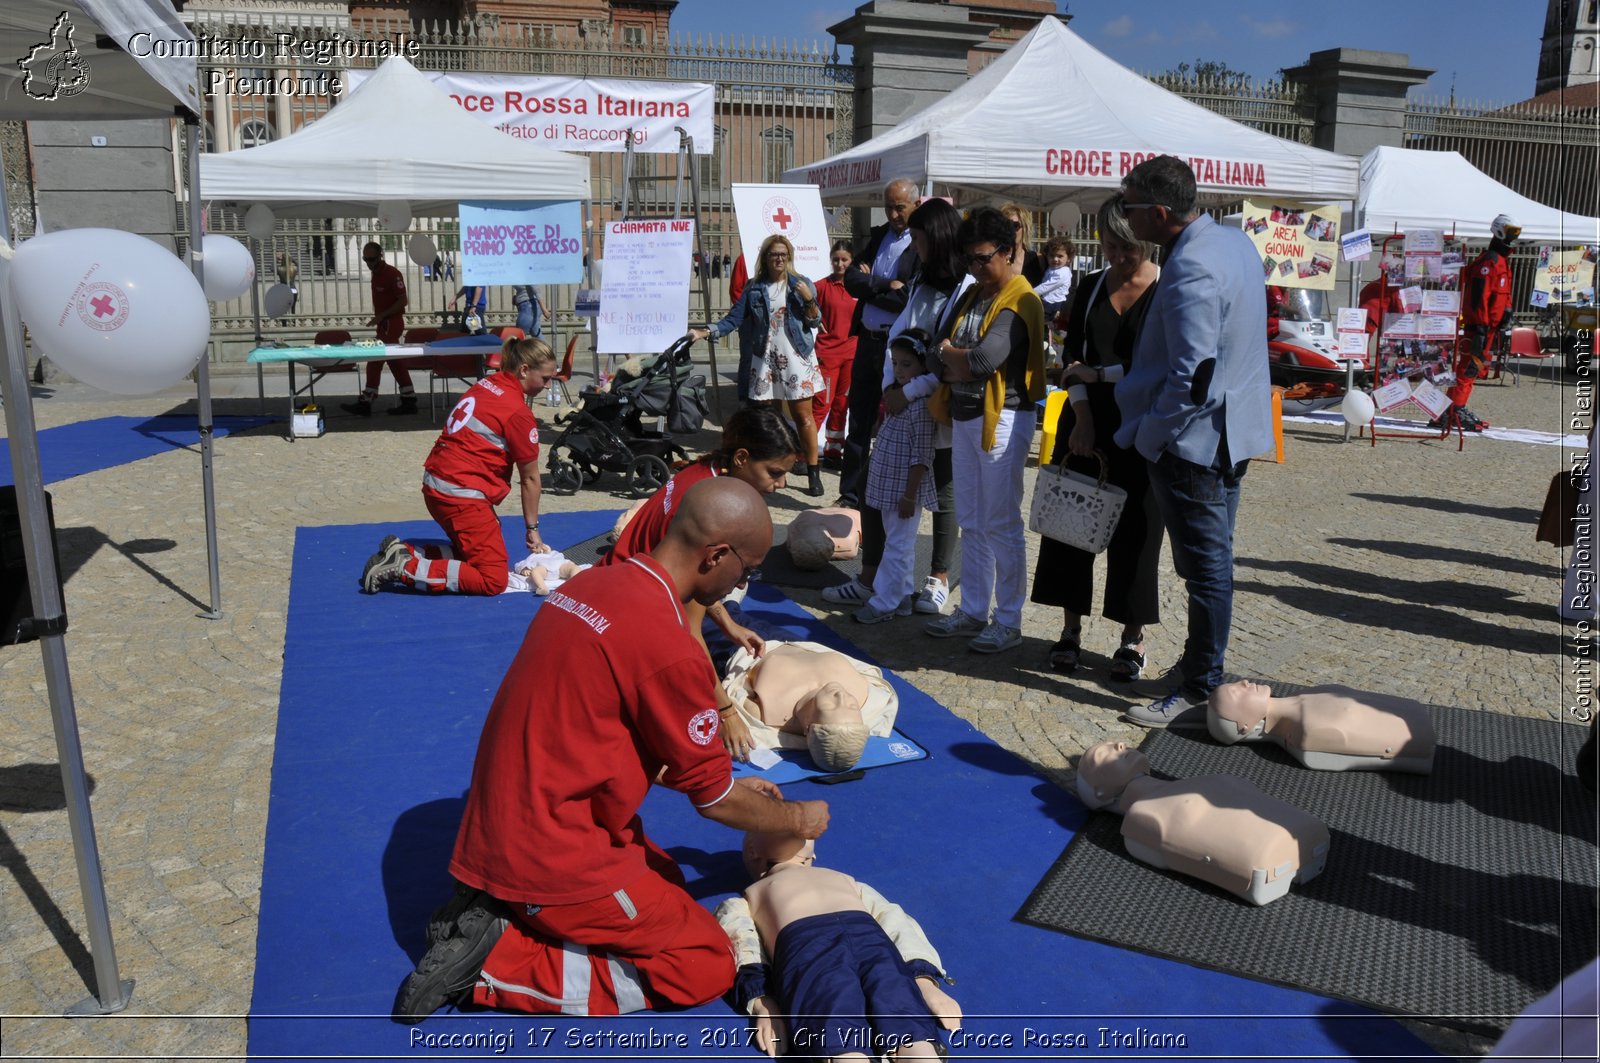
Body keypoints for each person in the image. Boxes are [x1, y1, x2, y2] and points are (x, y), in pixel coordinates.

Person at [396, 478, 830, 1023]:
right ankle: (497, 963)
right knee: (704, 960)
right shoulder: (671, 647)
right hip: (551, 852)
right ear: (716, 555)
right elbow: (714, 801)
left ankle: (506, 904)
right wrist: (798, 817)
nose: (744, 582)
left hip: (506, 822)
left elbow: (609, 732)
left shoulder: (594, 586)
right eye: (748, 568)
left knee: (666, 882)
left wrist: (730, 786)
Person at [1113, 155, 1273, 727]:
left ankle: (1202, 687)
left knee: (1206, 569)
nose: (1125, 219)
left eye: (1130, 208)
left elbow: (1192, 377)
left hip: (1196, 443)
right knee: (1214, 563)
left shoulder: (1193, 267)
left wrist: (1151, 437)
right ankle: (1199, 669)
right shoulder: (1234, 244)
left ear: (1158, 212)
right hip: (1234, 430)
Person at [606, 406, 801, 752]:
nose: (781, 484)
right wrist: (725, 711)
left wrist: (727, 623)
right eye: (774, 472)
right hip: (628, 613)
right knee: (776, 648)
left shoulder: (702, 474)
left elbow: (697, 591)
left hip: (623, 588)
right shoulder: (708, 510)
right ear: (741, 458)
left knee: (755, 640)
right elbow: (688, 623)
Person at [1031, 195, 1163, 680]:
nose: (1118, 258)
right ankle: (1069, 631)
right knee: (1071, 525)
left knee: (1138, 534)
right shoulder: (1087, 288)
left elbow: (1156, 368)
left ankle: (1133, 638)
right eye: (1109, 247)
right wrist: (1082, 417)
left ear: (1144, 243)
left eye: (1126, 249)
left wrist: (1099, 374)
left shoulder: (1165, 290)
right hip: (1086, 419)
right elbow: (1070, 364)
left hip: (1143, 426)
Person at [825, 198, 966, 618]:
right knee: (875, 487)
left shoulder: (962, 286)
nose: (914, 247)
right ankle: (873, 578)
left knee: (939, 490)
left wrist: (910, 388)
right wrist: (892, 387)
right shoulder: (922, 278)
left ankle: (935, 578)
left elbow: (947, 353)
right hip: (900, 398)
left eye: (919, 239)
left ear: (936, 239)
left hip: (931, 404)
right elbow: (900, 335)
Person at [715, 830, 960, 1060]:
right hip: (863, 942)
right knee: (908, 1031)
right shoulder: (845, 881)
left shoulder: (750, 895)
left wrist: (763, 1001)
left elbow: (740, 943)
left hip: (810, 950)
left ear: (752, 852)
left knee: (839, 1034)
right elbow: (895, 922)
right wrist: (921, 979)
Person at [922, 207, 1047, 655]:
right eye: (969, 260)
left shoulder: (1020, 297)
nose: (975, 269)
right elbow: (935, 351)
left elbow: (982, 360)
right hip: (966, 413)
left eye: (983, 258)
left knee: (1001, 522)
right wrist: (954, 357)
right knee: (972, 521)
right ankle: (973, 609)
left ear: (1008, 251)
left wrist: (953, 357)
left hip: (1004, 418)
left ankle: (1008, 619)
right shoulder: (973, 294)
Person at [360, 337, 556, 596]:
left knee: (472, 553)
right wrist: (532, 530)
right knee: (492, 579)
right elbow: (530, 479)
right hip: (461, 494)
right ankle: (405, 568)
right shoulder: (518, 412)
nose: (548, 385)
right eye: (545, 378)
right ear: (524, 370)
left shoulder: (487, 384)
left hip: (437, 483)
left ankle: (408, 552)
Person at [1075, 740, 1330, 907]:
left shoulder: (1172, 795)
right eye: (1104, 753)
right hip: (1264, 854)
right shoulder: (1145, 815)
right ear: (1099, 793)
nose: (1119, 744)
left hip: (1274, 848)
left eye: (1115, 744)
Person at [691, 234, 825, 496]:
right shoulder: (754, 288)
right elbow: (733, 319)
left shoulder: (801, 284)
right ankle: (778, 467)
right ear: (765, 257)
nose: (779, 258)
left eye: (783, 254)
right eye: (774, 254)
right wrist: (705, 332)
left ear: (789, 257)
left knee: (804, 417)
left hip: (796, 358)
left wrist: (809, 299)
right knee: (772, 419)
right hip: (766, 359)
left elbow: (814, 321)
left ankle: (813, 472)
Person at [838, 178, 921, 508]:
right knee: (858, 422)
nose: (894, 213)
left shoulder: (918, 245)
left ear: (915, 204)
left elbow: (907, 297)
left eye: (899, 207)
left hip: (896, 347)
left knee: (895, 425)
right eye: (888, 206)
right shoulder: (878, 237)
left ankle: (886, 494)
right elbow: (852, 280)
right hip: (868, 343)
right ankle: (850, 495)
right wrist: (884, 283)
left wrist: (875, 286)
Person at [857, 330, 937, 625]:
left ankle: (884, 602)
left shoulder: (919, 406)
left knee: (898, 545)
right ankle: (901, 595)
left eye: (907, 364)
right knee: (897, 542)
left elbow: (922, 456)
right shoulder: (897, 399)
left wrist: (910, 495)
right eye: (896, 364)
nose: (900, 371)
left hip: (903, 491)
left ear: (922, 366)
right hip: (888, 486)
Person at [720, 640, 897, 769]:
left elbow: (729, 698)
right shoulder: (872, 699)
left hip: (743, 647)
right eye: (853, 707)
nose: (841, 695)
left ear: (808, 728)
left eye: (830, 706)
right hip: (799, 642)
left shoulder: (764, 715)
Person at [1206, 680, 1436, 773]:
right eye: (1236, 692)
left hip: (1414, 722)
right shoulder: (1306, 732)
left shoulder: (1305, 695)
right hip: (1420, 738)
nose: (1244, 682)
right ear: (1245, 726)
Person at [1440, 213, 1520, 432]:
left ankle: (1455, 408)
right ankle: (1453, 411)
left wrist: (1507, 311)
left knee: (1474, 368)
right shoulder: (1489, 262)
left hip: (1490, 328)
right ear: (1500, 231)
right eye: (1512, 232)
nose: (1514, 238)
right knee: (1468, 367)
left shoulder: (1502, 261)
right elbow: (1478, 296)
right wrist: (1481, 325)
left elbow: (1502, 293)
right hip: (1480, 328)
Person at [342, 241, 418, 417]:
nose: (369, 263)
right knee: (394, 360)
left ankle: (367, 400)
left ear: (380, 256)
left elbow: (403, 300)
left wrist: (381, 316)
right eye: (365, 259)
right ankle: (409, 398)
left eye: (372, 259)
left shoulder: (392, 274)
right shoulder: (376, 273)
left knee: (375, 358)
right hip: (384, 324)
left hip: (391, 323)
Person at [813, 241, 859, 469]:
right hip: (827, 355)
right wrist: (811, 316)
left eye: (845, 259)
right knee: (822, 404)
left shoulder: (859, 286)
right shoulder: (821, 286)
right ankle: (805, 454)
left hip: (852, 354)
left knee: (842, 404)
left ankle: (833, 451)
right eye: (836, 259)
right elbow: (802, 304)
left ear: (852, 260)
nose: (840, 264)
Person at [1000, 203, 1046, 288]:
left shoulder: (1039, 260)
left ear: (1025, 228)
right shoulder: (994, 259)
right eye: (1006, 226)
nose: (1010, 230)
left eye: (1015, 225)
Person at [1034, 236, 1074, 322]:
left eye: (1060, 256)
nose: (1055, 259)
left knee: (1040, 322)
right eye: (1052, 255)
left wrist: (1029, 292)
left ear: (1068, 258)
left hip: (1052, 303)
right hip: (1046, 300)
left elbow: (1046, 286)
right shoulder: (1052, 268)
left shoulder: (1063, 272)